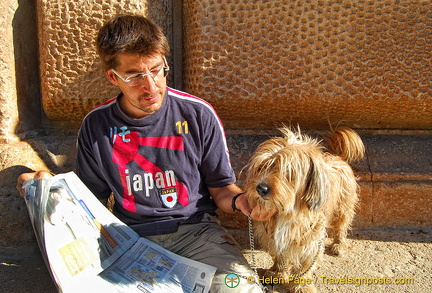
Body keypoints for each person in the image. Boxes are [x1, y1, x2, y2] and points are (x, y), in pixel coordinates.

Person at [17, 14, 275, 292]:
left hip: (197, 233)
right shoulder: (97, 125)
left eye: (156, 70)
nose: (150, 86)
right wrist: (48, 188)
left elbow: (222, 189)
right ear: (112, 77)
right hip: (129, 238)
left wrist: (241, 203)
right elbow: (90, 202)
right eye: (135, 75)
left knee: (240, 288)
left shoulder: (198, 114)